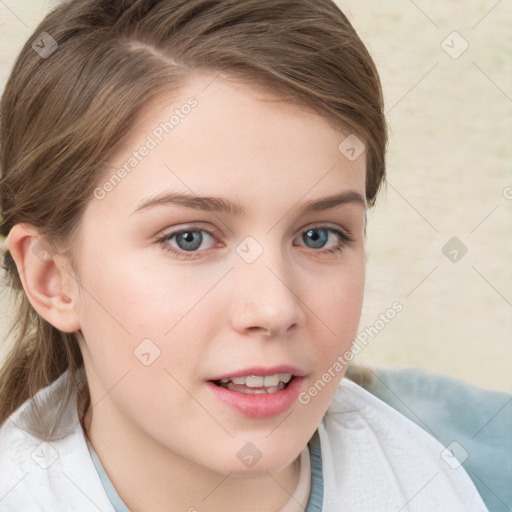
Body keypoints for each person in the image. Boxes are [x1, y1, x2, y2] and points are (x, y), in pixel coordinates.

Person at [0, 1, 489, 510]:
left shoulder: (436, 483)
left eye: (319, 235)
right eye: (189, 238)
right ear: (52, 278)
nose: (275, 309)